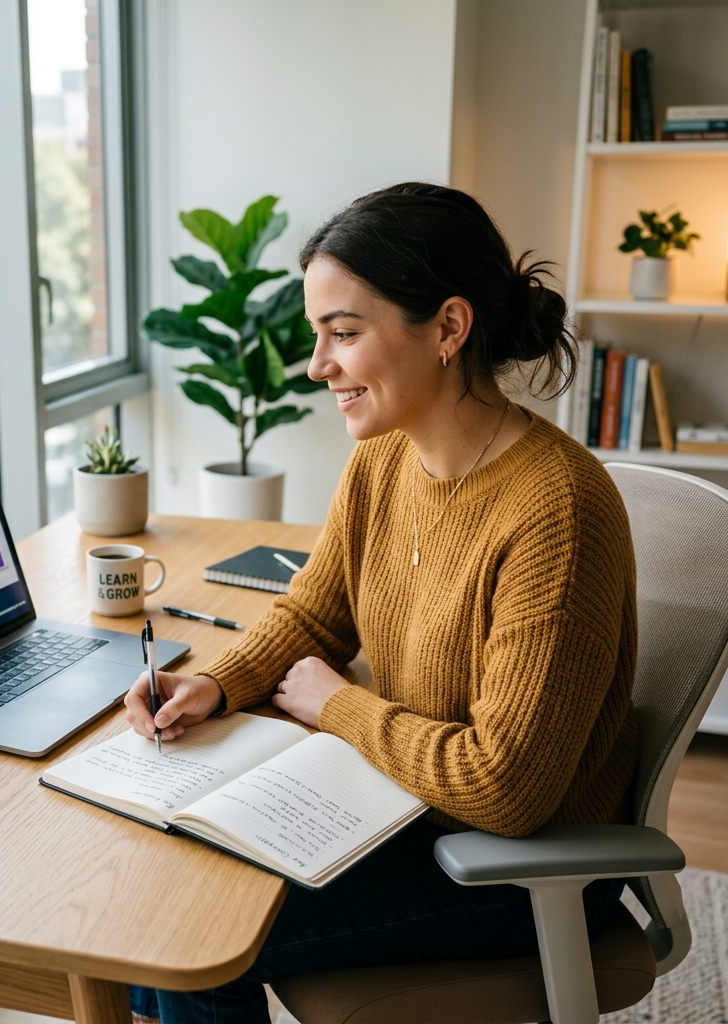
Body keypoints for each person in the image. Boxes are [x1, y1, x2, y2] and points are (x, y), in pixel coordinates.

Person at [123, 183, 638, 1024]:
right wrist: (215, 683)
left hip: (513, 866)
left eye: (344, 333)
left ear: (447, 328)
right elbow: (313, 614)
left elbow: (508, 789)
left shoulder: (557, 512)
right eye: (319, 334)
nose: (319, 365)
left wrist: (341, 709)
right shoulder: (386, 458)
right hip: (400, 802)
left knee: (196, 939)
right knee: (163, 892)